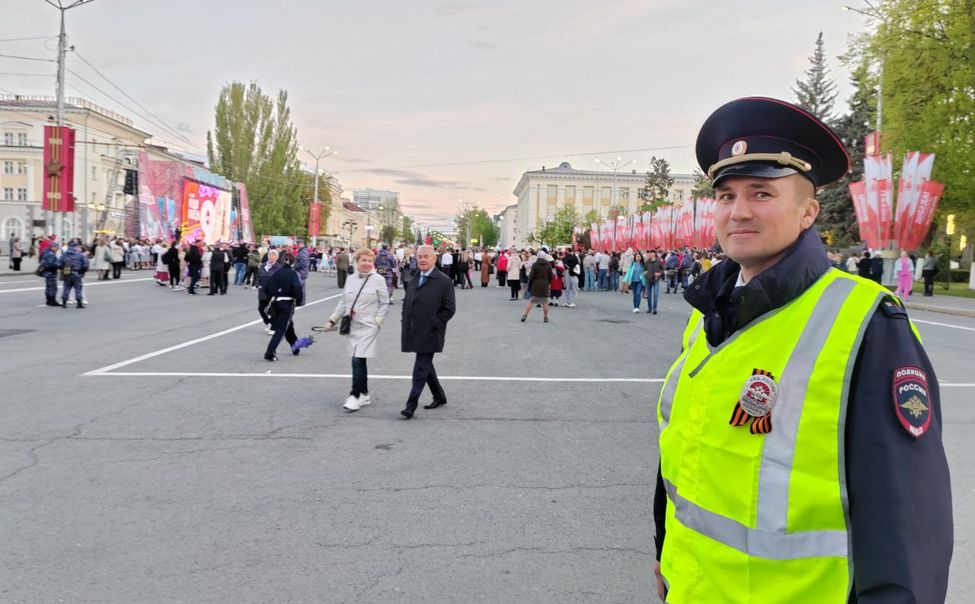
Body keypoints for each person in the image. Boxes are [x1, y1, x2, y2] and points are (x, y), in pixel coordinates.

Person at [653, 96, 951, 603]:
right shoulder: (708, 314)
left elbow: (906, 524)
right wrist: (665, 556)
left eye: (762, 193)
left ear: (809, 211)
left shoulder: (867, 325)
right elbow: (686, 464)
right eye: (725, 196)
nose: (738, 211)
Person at [323, 248, 391, 412]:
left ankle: (355, 395)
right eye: (363, 260)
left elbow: (385, 302)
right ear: (357, 261)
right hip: (353, 324)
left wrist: (378, 322)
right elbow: (344, 301)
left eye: (369, 261)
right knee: (360, 359)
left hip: (369, 325)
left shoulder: (379, 279)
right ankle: (364, 394)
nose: (367, 264)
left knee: (356, 358)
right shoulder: (351, 279)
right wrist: (332, 320)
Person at [400, 245, 455, 419]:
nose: (422, 260)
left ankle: (411, 405)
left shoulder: (444, 281)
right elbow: (407, 302)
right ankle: (439, 396)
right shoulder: (414, 278)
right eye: (419, 257)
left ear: (434, 259)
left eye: (426, 257)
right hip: (414, 329)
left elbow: (449, 309)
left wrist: (435, 323)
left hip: (431, 332)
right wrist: (405, 319)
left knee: (420, 368)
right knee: (426, 366)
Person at [263, 252, 304, 361]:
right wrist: (299, 300)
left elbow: (267, 287)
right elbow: (297, 288)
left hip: (276, 302)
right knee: (281, 328)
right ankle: (270, 352)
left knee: (288, 326)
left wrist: (270, 297)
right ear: (293, 262)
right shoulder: (293, 273)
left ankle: (295, 347)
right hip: (287, 303)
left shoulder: (277, 272)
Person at [521, 248, 552, 323]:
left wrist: (530, 285)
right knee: (545, 302)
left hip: (536, 284)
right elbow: (550, 276)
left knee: (531, 301)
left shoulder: (535, 265)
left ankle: (525, 315)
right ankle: (545, 317)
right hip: (545, 284)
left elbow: (531, 276)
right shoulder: (548, 265)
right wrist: (549, 283)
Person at [58, 240, 89, 308]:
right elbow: (85, 264)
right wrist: (83, 271)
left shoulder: (64, 254)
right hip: (77, 273)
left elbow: (59, 264)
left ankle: (64, 303)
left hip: (67, 273)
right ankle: (79, 303)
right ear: (76, 247)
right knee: (78, 288)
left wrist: (63, 269)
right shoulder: (80, 254)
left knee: (66, 288)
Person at [256, 249, 281, 334]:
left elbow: (281, 279)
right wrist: (257, 284)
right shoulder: (262, 266)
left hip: (274, 292)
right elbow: (258, 277)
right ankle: (268, 322)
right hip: (262, 291)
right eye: (270, 254)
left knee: (273, 310)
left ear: (277, 257)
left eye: (274, 255)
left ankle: (273, 327)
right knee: (261, 309)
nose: (271, 256)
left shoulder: (279, 267)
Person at [39, 240, 60, 306]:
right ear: (52, 247)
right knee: (53, 287)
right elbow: (52, 264)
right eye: (56, 247)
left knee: (48, 287)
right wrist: (59, 265)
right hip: (51, 272)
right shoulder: (51, 254)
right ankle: (52, 301)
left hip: (47, 272)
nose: (57, 249)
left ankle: (48, 300)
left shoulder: (46, 252)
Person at [643, 250, 664, 314]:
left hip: (656, 280)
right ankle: (649, 308)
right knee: (648, 295)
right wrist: (645, 273)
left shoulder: (659, 262)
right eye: (650, 253)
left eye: (652, 253)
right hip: (648, 280)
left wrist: (659, 273)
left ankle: (654, 309)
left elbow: (662, 269)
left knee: (655, 294)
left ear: (655, 254)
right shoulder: (647, 262)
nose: (651, 254)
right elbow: (644, 270)